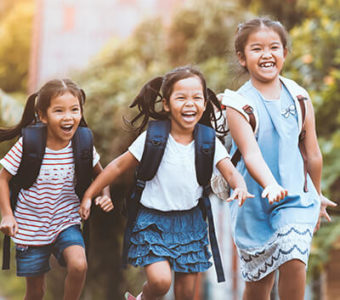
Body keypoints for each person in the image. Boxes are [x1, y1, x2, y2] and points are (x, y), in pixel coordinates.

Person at [79, 66, 253, 300]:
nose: (189, 103)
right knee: (160, 282)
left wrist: (240, 186)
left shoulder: (208, 140)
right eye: (181, 97)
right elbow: (118, 166)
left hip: (190, 222)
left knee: (185, 294)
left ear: (204, 104)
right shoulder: (154, 137)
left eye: (196, 97)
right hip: (153, 221)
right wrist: (90, 193)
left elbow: (230, 172)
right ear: (167, 104)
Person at [221, 17, 337, 300]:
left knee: (294, 259)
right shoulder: (237, 105)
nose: (267, 55)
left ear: (284, 53)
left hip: (296, 197)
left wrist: (317, 193)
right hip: (254, 203)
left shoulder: (299, 97)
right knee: (259, 284)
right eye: (256, 49)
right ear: (242, 57)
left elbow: (312, 153)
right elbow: (250, 154)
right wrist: (270, 184)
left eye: (274, 47)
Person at [0, 79, 113, 300]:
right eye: (59, 111)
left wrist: (104, 195)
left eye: (74, 109)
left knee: (79, 265)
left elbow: (102, 174)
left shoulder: (83, 143)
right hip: (29, 225)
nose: (68, 117)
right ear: (43, 116)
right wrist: (7, 215)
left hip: (66, 220)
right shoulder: (28, 144)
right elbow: (2, 178)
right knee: (35, 292)